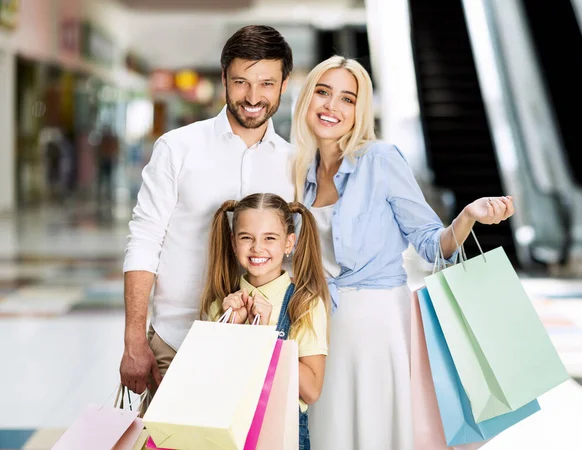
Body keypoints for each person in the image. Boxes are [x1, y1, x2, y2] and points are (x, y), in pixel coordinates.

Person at [291, 55, 515, 450]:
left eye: (348, 98)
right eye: (323, 93)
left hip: (379, 325)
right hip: (322, 329)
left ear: (360, 110)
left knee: (381, 433)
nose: (332, 107)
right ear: (307, 97)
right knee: (330, 435)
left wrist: (467, 216)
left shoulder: (379, 159)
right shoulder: (301, 176)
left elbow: (431, 243)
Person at [119, 25, 295, 400]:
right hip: (178, 338)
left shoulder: (295, 163)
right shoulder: (177, 148)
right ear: (224, 80)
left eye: (266, 83)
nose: (252, 96)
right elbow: (145, 240)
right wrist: (135, 339)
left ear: (284, 83)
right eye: (241, 82)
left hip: (262, 348)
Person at [200, 192, 330, 449]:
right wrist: (227, 330)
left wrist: (268, 334)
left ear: (289, 243)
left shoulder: (306, 304)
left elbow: (312, 390)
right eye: (246, 238)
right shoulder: (221, 305)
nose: (257, 248)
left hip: (282, 436)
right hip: (226, 435)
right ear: (233, 242)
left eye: (270, 238)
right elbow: (207, 379)